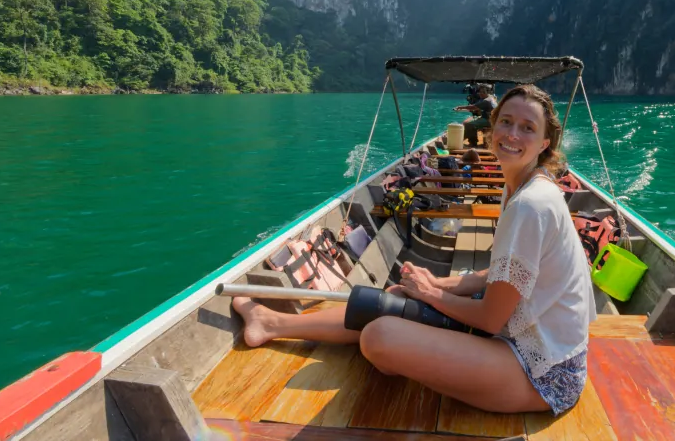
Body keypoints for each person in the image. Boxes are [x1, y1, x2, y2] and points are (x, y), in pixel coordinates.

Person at [230, 84, 597, 415]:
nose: (512, 134)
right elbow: (504, 274)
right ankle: (272, 323)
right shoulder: (520, 185)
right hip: (519, 337)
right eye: (506, 122)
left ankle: (299, 327)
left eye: (528, 128)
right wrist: (442, 284)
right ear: (492, 126)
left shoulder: (532, 204)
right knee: (395, 294)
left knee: (380, 336)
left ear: (545, 143)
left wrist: (433, 295)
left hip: (541, 374)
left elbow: (492, 319)